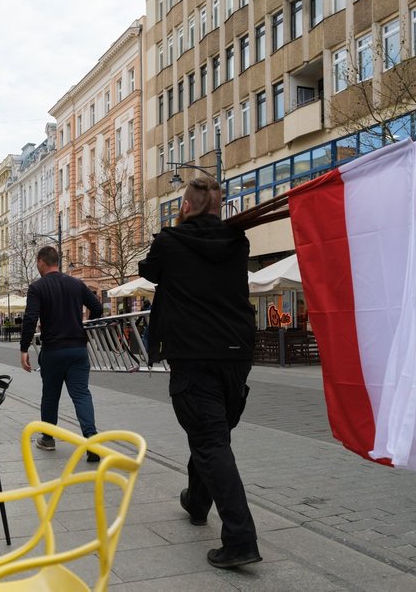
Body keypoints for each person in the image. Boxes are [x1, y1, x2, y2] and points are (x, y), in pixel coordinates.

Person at [138, 176, 261, 570]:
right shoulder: (237, 243)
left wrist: (176, 225)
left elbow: (149, 271)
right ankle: (196, 501)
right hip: (236, 355)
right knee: (212, 434)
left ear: (186, 207)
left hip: (194, 355)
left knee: (210, 441)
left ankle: (240, 539)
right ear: (219, 209)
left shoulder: (169, 243)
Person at [19, 246, 103, 462]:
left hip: (53, 350)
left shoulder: (37, 287)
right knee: (81, 394)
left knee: (50, 395)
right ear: (57, 261)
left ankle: (48, 438)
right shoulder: (76, 284)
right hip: (78, 349)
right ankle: (91, 440)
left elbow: (30, 319)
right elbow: (97, 307)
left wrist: (24, 348)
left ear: (40, 262)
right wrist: (85, 327)